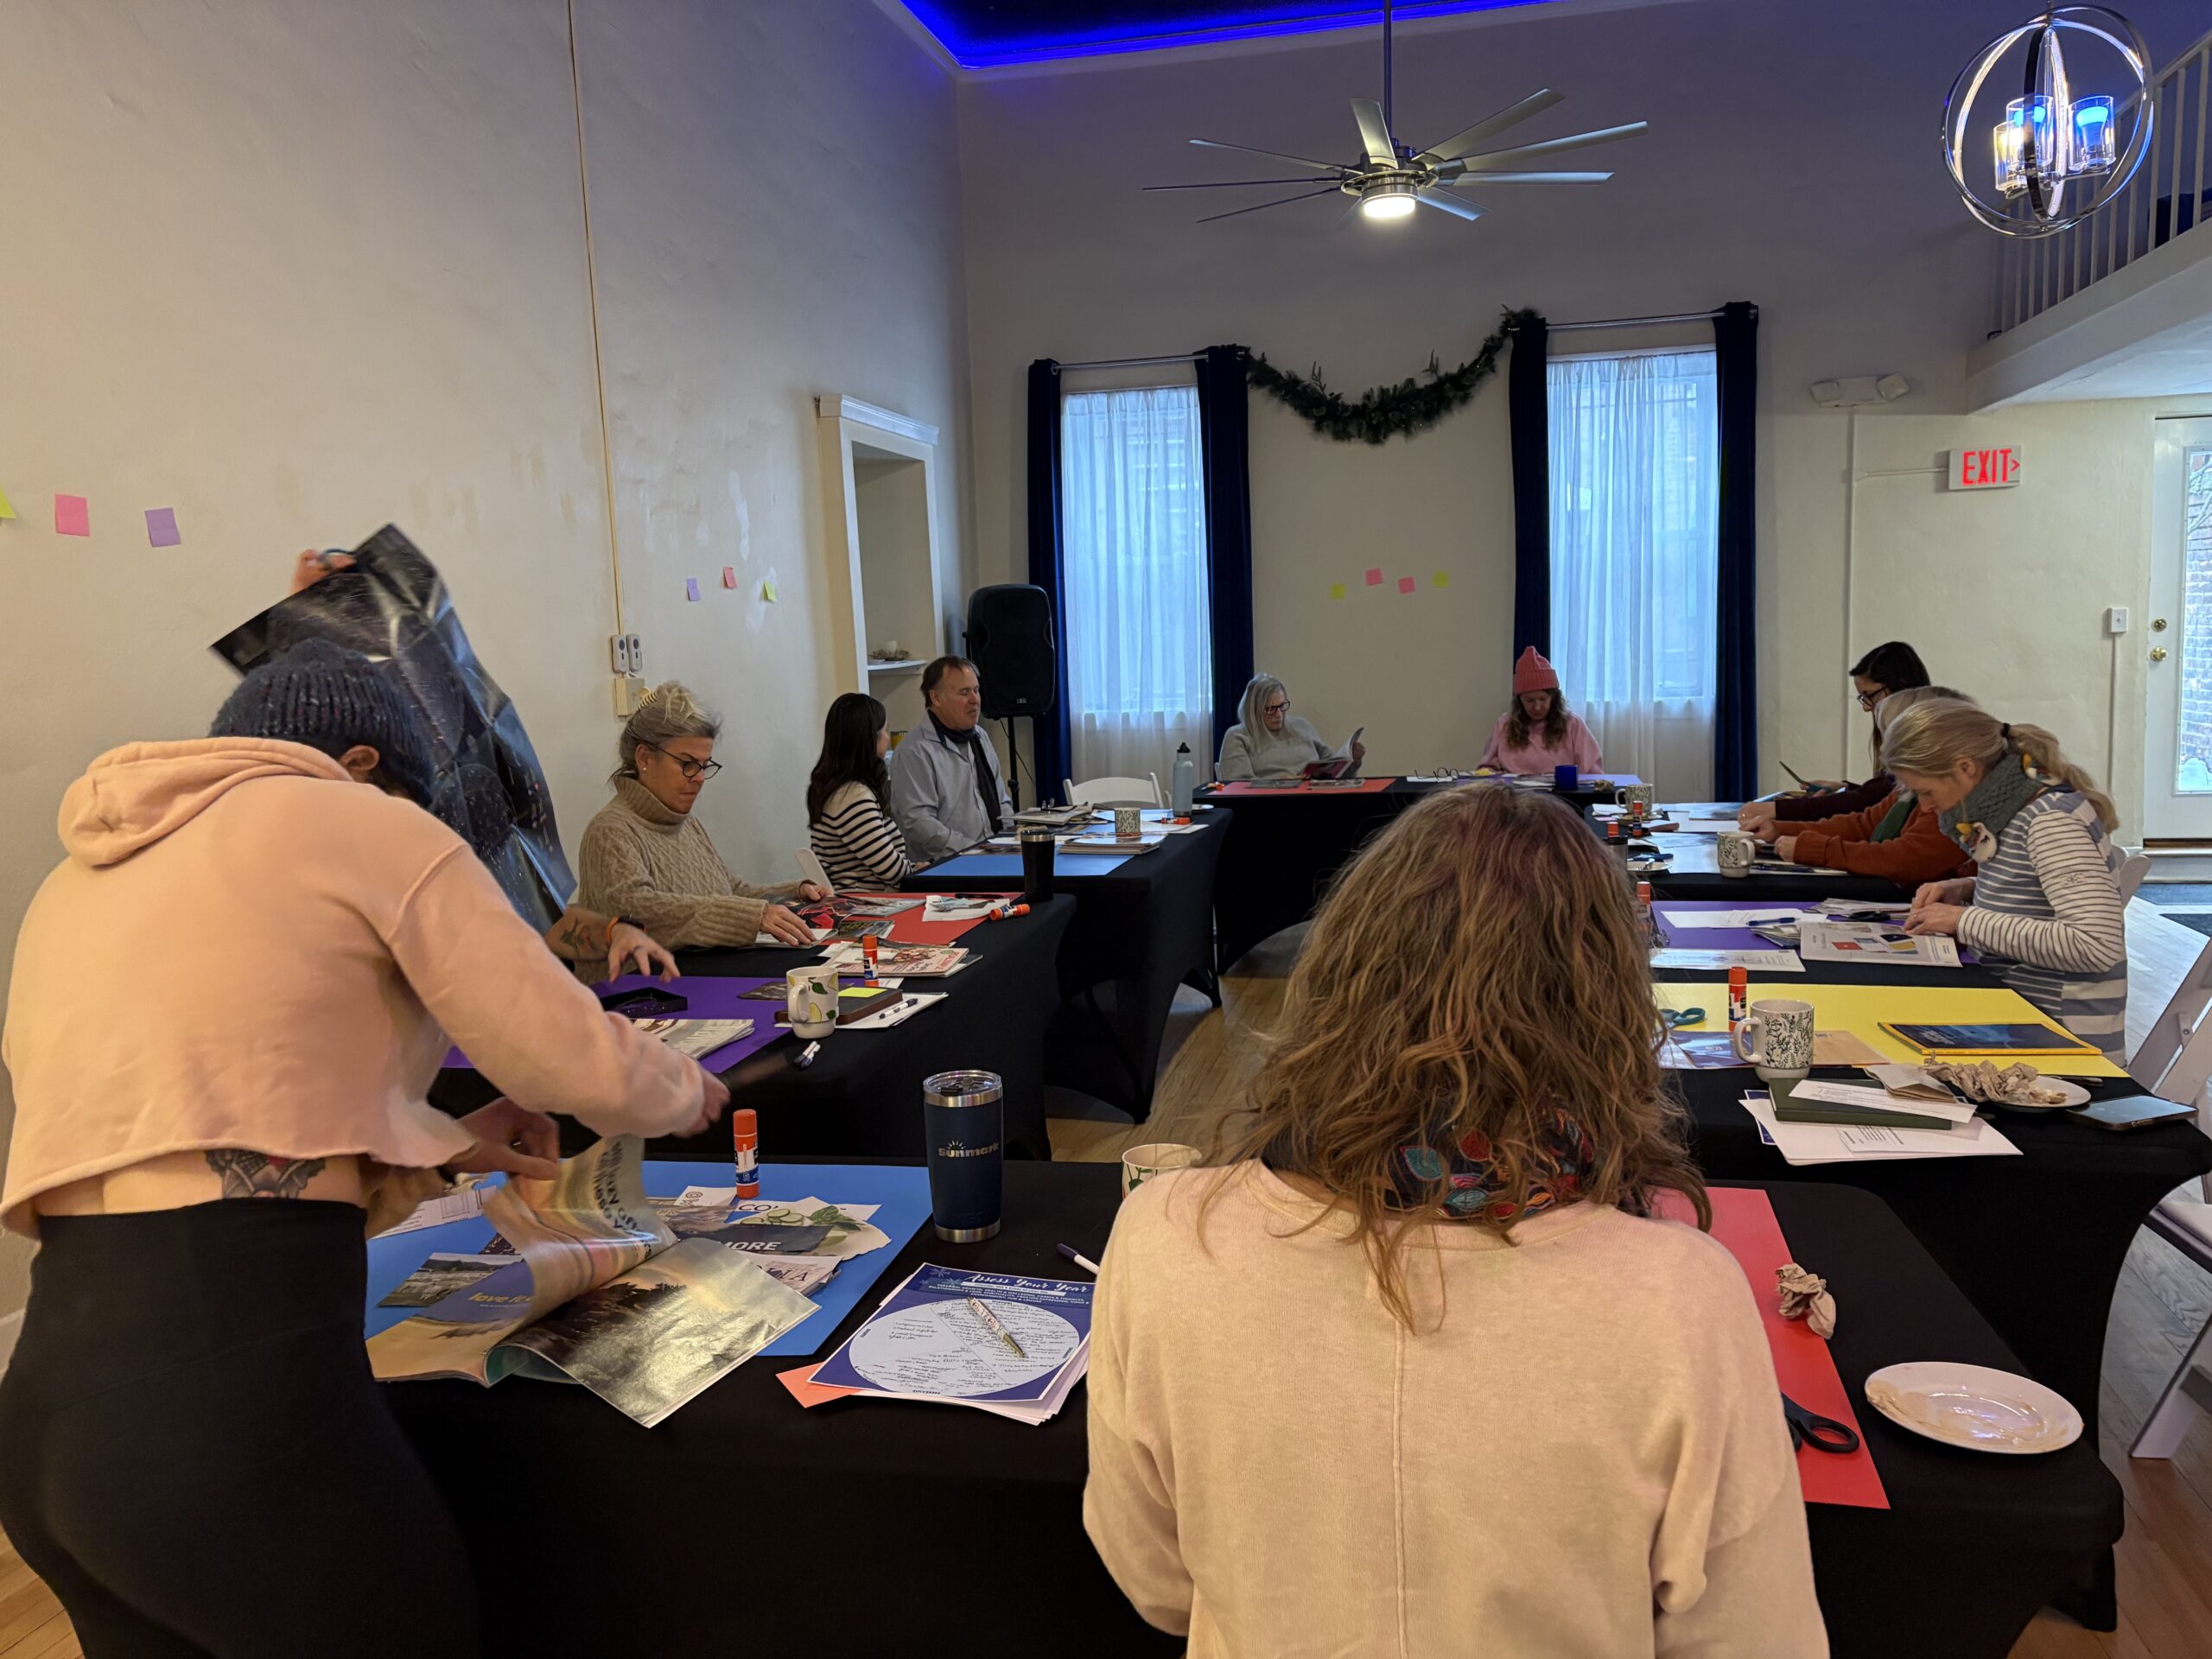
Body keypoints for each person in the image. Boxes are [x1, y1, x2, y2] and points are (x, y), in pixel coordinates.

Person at [0, 641, 726, 1658]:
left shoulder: (81, 873)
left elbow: (205, 1144)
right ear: (364, 765)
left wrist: (440, 1148)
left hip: (48, 1420)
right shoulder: (359, 822)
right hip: (225, 1408)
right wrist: (687, 1087)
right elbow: (569, 1054)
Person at [1084, 785, 1825, 1656]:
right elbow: (1752, 1637)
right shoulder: (1683, 1298)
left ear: (1340, 972)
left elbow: (1156, 1583)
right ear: (1608, 1004)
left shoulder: (1166, 1235)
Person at [288, 548, 678, 982]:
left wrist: (614, 932)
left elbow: (539, 921)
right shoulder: (341, 845)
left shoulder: (477, 799)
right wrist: (305, 626)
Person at [1887, 700, 2128, 1058]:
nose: (1924, 807)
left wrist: (1963, 920)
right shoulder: (2012, 809)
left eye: (1926, 792)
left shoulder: (2050, 822)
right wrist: (1968, 890)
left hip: (2063, 1042)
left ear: (1966, 768)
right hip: (2022, 1019)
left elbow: (2095, 945)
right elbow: (2035, 894)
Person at [577, 682, 824, 948]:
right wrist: (752, 916)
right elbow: (637, 911)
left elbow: (731, 891)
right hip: (648, 973)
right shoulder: (611, 831)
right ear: (644, 758)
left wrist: (793, 894)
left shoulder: (685, 823)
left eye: (704, 766)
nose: (699, 778)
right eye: (687, 764)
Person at [1749, 686, 1975, 887]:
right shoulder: (1912, 791)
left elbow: (1905, 859)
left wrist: (1812, 848)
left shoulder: (1952, 801)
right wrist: (1780, 829)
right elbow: (1863, 825)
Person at [1740, 641, 1929, 830]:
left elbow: (1868, 801)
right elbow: (1883, 796)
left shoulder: (1926, 738)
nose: (1866, 707)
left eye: (1869, 695)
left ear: (1901, 685)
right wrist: (1844, 788)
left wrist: (1779, 810)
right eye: (1862, 698)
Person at [888, 656, 1013, 861]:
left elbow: (1001, 801)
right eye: (964, 693)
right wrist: (975, 850)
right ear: (936, 698)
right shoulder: (915, 751)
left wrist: (1009, 841)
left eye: (976, 690)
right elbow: (918, 824)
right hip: (946, 866)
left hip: (993, 855)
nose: (975, 700)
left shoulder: (979, 737)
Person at [807, 691, 912, 890]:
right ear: (869, 739)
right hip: (868, 901)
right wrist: (920, 871)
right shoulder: (853, 797)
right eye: (886, 731)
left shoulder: (840, 790)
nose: (888, 738)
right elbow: (892, 871)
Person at [1216, 674, 1364, 781]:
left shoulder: (1302, 726)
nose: (1279, 714)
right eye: (1270, 709)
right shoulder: (1238, 736)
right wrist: (1277, 783)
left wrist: (1352, 762)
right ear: (1253, 710)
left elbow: (1335, 772)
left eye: (1282, 706)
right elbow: (1236, 787)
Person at [1479, 647, 1603, 774]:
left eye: (1543, 699)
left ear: (1553, 698)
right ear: (1519, 701)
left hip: (1560, 787)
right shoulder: (1505, 724)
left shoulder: (1573, 724)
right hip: (1514, 787)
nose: (1537, 707)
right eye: (1529, 700)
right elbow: (1487, 770)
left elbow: (1593, 772)